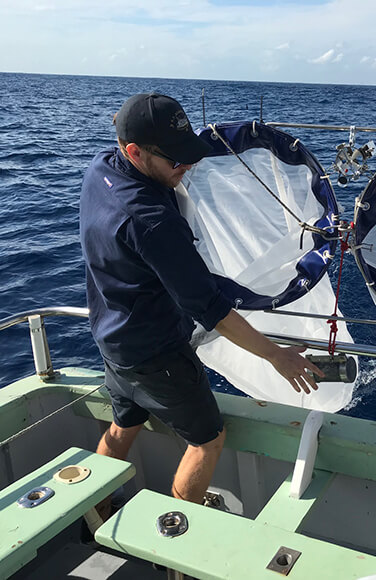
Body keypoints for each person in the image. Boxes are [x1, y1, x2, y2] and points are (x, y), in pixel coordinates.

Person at [80, 93, 323, 512]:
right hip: (158, 354)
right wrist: (277, 357)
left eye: (188, 153)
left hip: (112, 341)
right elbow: (211, 310)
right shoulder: (151, 223)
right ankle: (178, 537)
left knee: (124, 423)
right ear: (134, 151)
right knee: (207, 440)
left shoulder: (102, 168)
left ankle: (94, 511)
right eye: (176, 160)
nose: (187, 166)